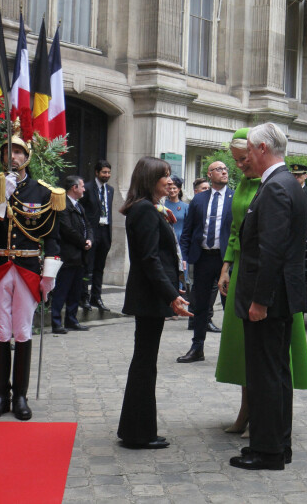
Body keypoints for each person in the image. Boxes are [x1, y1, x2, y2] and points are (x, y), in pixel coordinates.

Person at [217, 128, 307, 436]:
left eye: (246, 155)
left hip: (265, 288)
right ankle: (276, 444)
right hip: (268, 285)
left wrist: (260, 300)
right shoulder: (288, 183)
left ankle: (266, 447)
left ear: (260, 148)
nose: (243, 164)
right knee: (275, 368)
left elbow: (272, 250)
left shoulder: (274, 187)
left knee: (267, 370)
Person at [117, 156, 191, 450]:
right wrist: (172, 295)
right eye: (165, 175)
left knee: (144, 363)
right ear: (151, 179)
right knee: (145, 365)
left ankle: (135, 428)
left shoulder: (147, 208)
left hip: (148, 297)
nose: (170, 181)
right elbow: (150, 259)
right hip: (149, 298)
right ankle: (139, 433)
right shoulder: (146, 210)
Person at [0, 135, 65, 420]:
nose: (14, 157)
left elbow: (53, 239)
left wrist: (49, 275)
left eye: (19, 152)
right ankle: (0, 394)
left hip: (28, 268)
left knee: (21, 330)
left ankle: (19, 395)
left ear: (28, 156)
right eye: (8, 152)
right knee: (0, 330)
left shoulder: (43, 192)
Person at [178, 161, 234, 363]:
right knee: (200, 305)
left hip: (226, 260)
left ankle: (231, 352)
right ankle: (197, 348)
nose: (224, 171)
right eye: (219, 169)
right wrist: (184, 258)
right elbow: (188, 231)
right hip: (202, 258)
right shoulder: (199, 200)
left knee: (230, 306)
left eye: (226, 169)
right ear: (209, 174)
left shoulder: (234, 198)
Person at [50, 175, 93, 334]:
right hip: (67, 255)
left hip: (80, 256)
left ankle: (71, 319)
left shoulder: (79, 206)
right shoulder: (63, 205)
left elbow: (88, 225)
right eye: (82, 186)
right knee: (62, 290)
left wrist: (89, 239)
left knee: (75, 290)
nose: (84, 189)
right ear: (74, 188)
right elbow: (67, 230)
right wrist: (83, 242)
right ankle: (56, 322)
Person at [186, 176, 221, 333]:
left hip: (219, 254)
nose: (208, 191)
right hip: (199, 254)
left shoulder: (224, 201)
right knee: (198, 288)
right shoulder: (196, 203)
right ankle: (196, 318)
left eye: (209, 188)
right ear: (196, 192)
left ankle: (205, 318)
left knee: (213, 288)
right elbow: (189, 230)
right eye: (204, 189)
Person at [80, 159, 114, 312]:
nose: (106, 175)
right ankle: (84, 296)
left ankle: (96, 296)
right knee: (88, 266)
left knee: (100, 266)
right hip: (92, 232)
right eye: (104, 172)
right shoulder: (87, 188)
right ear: (97, 172)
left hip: (105, 231)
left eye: (108, 172)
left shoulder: (110, 190)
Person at [164, 175, 188, 243]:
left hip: (181, 240)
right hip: (166, 239)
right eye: (170, 188)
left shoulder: (186, 207)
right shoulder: (163, 205)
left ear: (179, 189)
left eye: (174, 188)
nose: (172, 190)